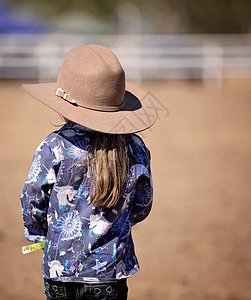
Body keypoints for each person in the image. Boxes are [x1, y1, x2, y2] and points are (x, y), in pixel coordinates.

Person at [19, 44, 156, 300]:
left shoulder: (55, 145)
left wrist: (40, 234)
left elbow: (32, 198)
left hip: (59, 271)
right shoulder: (135, 147)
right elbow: (143, 204)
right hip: (109, 272)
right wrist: (117, 223)